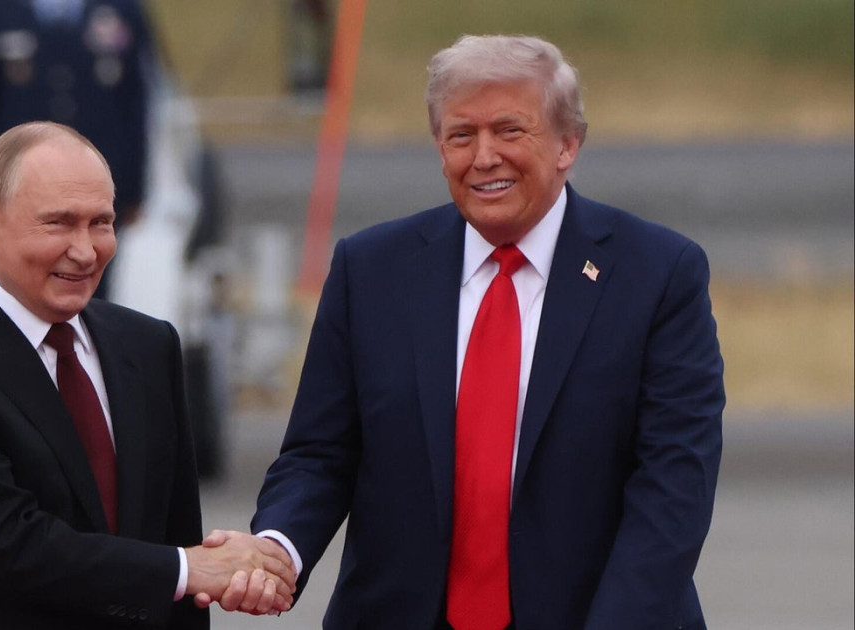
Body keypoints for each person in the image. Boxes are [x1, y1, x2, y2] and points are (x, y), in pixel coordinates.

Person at [231, 35, 725, 628]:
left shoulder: (657, 273)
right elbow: (319, 453)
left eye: (510, 131)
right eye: (461, 136)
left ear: (569, 143)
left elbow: (674, 484)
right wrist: (277, 548)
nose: (484, 156)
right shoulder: (372, 270)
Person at [0, 122, 294, 629]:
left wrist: (205, 568)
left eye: (101, 222)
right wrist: (189, 568)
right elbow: (7, 543)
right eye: (59, 223)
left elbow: (174, 533)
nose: (86, 250)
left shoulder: (149, 347)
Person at [0, 0, 155, 297]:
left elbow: (136, 102)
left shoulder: (123, 8)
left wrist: (136, 188)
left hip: (99, 184)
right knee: (23, 284)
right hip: (23, 185)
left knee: (90, 282)